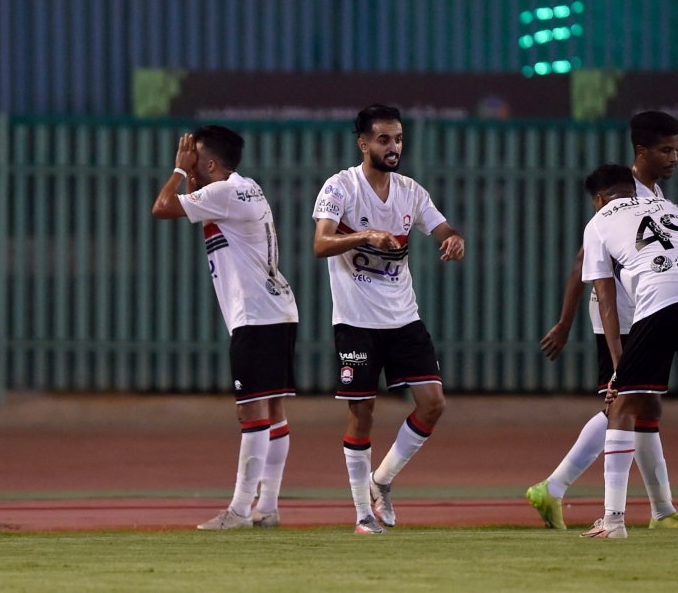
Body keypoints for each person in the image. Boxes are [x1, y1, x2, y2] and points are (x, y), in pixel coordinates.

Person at [527, 111, 678, 529]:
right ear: (640, 152)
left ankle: (655, 511)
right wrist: (566, 321)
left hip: (657, 300)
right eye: (666, 149)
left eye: (677, 149)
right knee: (624, 401)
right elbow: (585, 266)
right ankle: (555, 487)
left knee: (643, 404)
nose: (674, 157)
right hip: (628, 311)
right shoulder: (626, 196)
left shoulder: (657, 195)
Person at [312, 104, 465, 534]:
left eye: (397, 138)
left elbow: (444, 229)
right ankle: (363, 514)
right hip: (356, 321)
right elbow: (321, 244)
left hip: (403, 318)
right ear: (363, 144)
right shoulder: (340, 187)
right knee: (362, 415)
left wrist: (455, 241)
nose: (393, 146)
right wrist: (364, 236)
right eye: (383, 139)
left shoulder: (410, 191)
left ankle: (382, 480)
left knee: (433, 404)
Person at [578, 163, 678, 539]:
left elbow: (606, 300)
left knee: (623, 405)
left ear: (599, 200)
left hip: (660, 292)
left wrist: (620, 370)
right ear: (632, 192)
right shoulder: (670, 208)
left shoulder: (598, 222)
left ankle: (613, 522)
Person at [152, 126, 298, 530]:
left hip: (256, 315)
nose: (189, 159)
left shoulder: (222, 193)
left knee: (251, 411)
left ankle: (238, 510)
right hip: (278, 310)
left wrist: (179, 172)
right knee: (273, 409)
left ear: (211, 163)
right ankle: (267, 508)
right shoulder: (245, 186)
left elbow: (162, 207)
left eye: (195, 155)